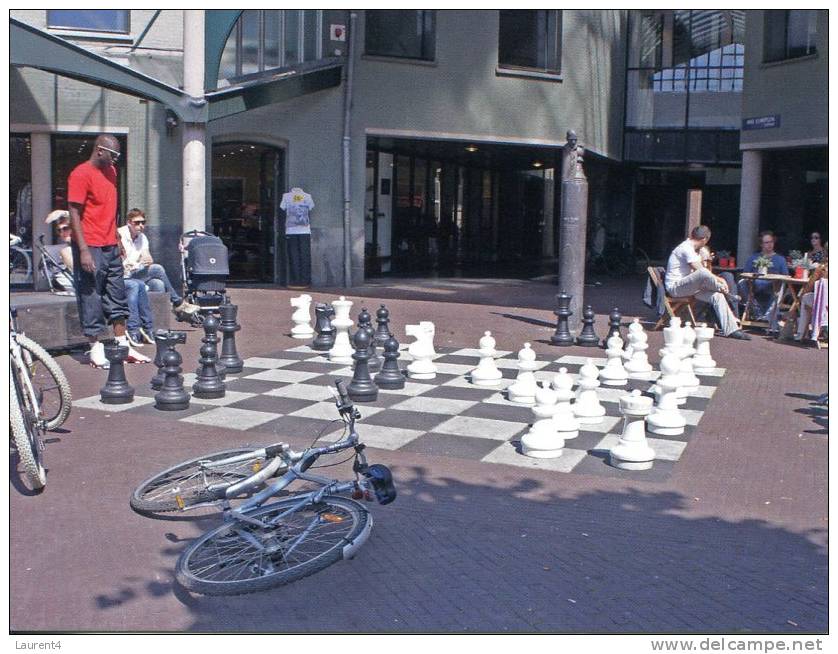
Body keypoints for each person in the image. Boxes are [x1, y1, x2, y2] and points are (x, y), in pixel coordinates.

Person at [67, 134, 149, 366]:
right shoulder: (80, 174)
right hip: (89, 244)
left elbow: (110, 208)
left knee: (117, 292)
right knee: (91, 293)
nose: (116, 160)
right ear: (100, 150)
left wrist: (117, 238)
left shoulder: (111, 172)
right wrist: (83, 250)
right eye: (113, 155)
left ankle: (123, 344)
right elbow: (74, 212)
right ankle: (95, 347)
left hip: (110, 244)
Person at [51, 210, 154, 346]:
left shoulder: (87, 247)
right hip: (85, 286)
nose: (65, 233)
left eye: (67, 228)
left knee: (140, 284)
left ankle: (147, 328)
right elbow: (81, 272)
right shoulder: (66, 250)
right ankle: (133, 329)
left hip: (100, 280)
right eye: (60, 230)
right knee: (134, 285)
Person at [664, 225, 750, 340]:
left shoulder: (693, 250)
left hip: (689, 288)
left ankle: (732, 330)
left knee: (717, 296)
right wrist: (720, 280)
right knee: (703, 273)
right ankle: (725, 292)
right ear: (705, 239)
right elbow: (700, 271)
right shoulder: (685, 248)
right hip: (676, 288)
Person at [117, 208, 199, 320]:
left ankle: (156, 326)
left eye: (143, 222)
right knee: (157, 269)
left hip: (137, 272)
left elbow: (147, 256)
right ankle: (177, 302)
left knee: (158, 284)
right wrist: (135, 263)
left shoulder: (142, 237)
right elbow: (122, 261)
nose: (141, 226)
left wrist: (147, 259)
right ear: (129, 223)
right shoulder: (121, 234)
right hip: (124, 275)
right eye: (137, 223)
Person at [738, 231, 790, 326]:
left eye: (771, 242)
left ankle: (766, 315)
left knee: (782, 284)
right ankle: (756, 311)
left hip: (772, 287)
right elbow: (745, 273)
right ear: (761, 244)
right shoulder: (754, 257)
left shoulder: (780, 259)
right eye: (766, 242)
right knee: (741, 282)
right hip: (754, 286)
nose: (770, 244)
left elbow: (786, 276)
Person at [280, 187, 313, 288]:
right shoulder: (307, 196)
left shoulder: (286, 196)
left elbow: (282, 207)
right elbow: (311, 207)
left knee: (293, 255)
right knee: (305, 256)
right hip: (305, 230)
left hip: (291, 230)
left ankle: (295, 280)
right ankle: (305, 280)